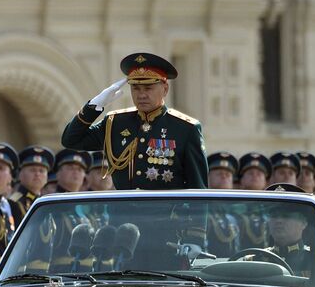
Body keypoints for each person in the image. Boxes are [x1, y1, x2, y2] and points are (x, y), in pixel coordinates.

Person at [61, 52, 208, 190]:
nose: (141, 95)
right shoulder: (115, 123)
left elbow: (198, 189)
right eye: (136, 88)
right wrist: (94, 106)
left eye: (148, 88)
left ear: (165, 89)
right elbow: (70, 140)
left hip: (167, 215)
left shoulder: (185, 128)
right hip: (124, 216)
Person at [205, 152, 240, 257]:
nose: (224, 177)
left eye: (228, 175)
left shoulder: (234, 214)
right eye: (219, 174)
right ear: (208, 177)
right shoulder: (203, 210)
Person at [10, 146, 53, 225]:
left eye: (41, 171)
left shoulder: (46, 203)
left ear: (47, 177)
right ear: (20, 174)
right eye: (32, 170)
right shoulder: (13, 203)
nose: (37, 174)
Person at [237, 153, 271, 249]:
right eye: (250, 173)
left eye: (259, 174)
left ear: (266, 182)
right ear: (242, 180)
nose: (255, 176)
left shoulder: (272, 207)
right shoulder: (233, 208)